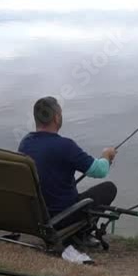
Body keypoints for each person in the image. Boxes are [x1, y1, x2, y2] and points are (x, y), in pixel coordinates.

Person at [18, 96, 118, 230]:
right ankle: (83, 231)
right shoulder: (65, 146)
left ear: (36, 119)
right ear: (56, 118)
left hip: (38, 214)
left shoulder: (26, 143)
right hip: (62, 217)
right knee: (109, 188)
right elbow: (99, 171)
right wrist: (107, 155)